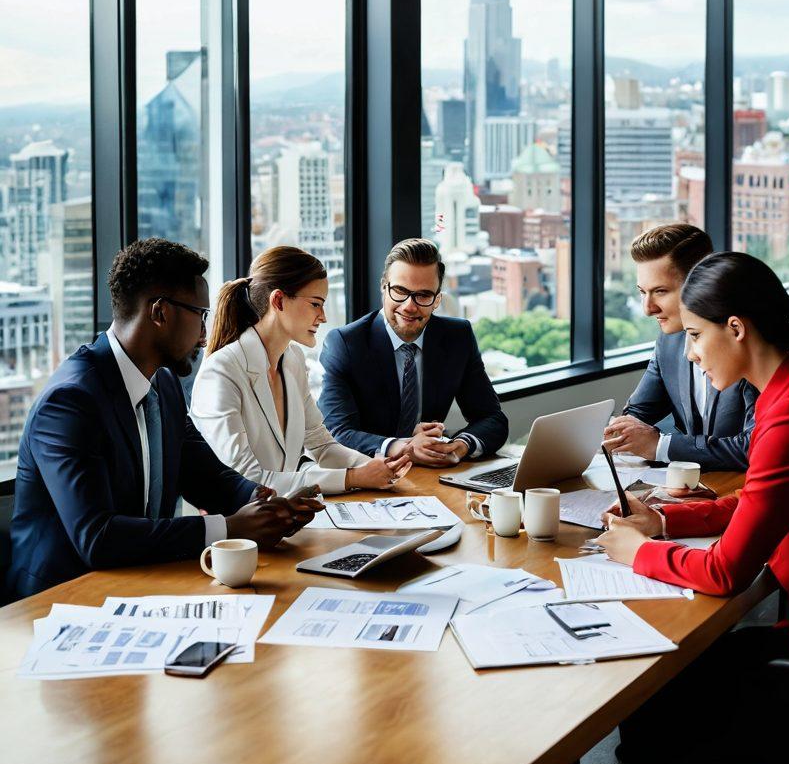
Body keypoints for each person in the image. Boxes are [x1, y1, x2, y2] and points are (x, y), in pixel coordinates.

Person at [598, 251, 789, 764]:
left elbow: (726, 573)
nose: (693, 354)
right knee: (663, 691)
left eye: (697, 336)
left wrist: (640, 552)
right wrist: (663, 521)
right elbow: (759, 503)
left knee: (653, 720)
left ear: (736, 328)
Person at [8, 239, 322, 601]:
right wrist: (229, 527)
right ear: (160, 313)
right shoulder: (71, 402)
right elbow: (97, 537)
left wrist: (264, 500)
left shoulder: (164, 384)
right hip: (60, 602)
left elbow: (204, 473)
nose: (205, 336)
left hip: (141, 583)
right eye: (200, 315)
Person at [190, 246, 411, 494]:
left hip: (287, 515)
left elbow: (322, 445)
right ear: (278, 300)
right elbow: (248, 480)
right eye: (315, 304)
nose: (323, 317)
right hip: (244, 524)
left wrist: (376, 466)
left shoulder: (292, 359)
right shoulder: (221, 372)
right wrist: (354, 478)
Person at [318, 238, 508, 464]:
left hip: (431, 474)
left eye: (423, 295)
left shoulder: (458, 337)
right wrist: (403, 446)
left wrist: (462, 445)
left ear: (437, 299)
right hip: (370, 474)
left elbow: (493, 418)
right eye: (399, 290)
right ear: (383, 287)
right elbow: (337, 432)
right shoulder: (346, 344)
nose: (409, 306)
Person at [604, 223, 757, 470]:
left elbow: (755, 447)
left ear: (700, 282)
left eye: (660, 291)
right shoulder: (670, 339)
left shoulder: (741, 341)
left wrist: (660, 446)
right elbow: (639, 412)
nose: (647, 308)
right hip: (693, 489)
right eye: (642, 292)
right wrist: (620, 431)